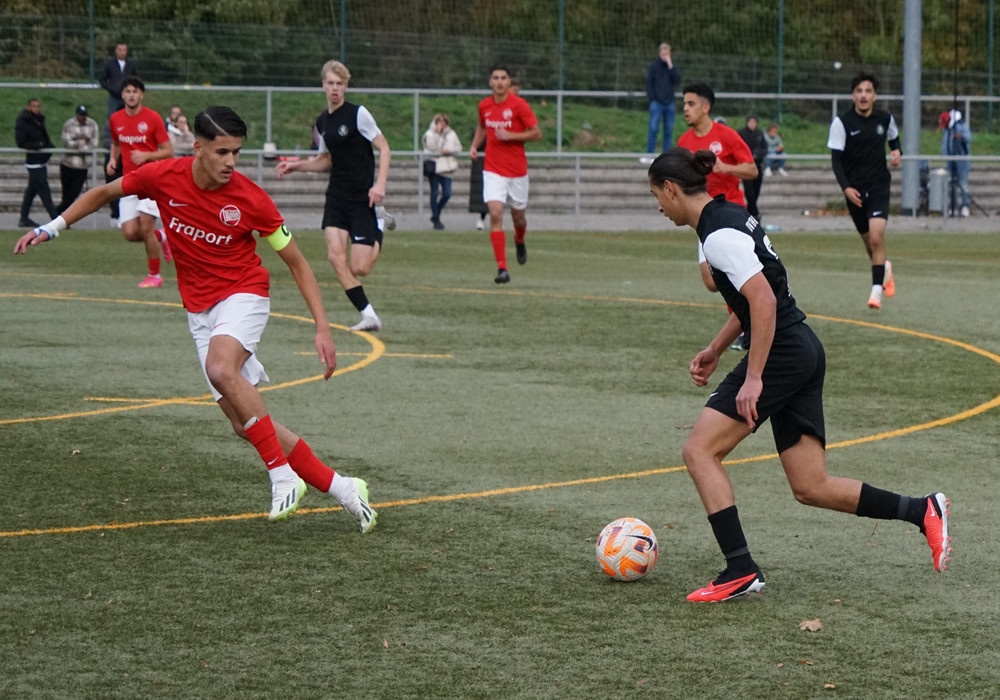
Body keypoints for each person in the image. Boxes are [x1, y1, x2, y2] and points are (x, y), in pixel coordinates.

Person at [14, 106, 377, 534]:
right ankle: (343, 487)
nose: (231, 161)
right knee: (244, 423)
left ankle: (282, 476)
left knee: (220, 368)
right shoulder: (163, 176)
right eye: (222, 152)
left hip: (244, 294)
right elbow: (104, 193)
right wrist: (52, 227)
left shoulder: (250, 198)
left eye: (237, 152)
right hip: (200, 311)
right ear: (198, 147)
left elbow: (297, 262)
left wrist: (323, 328)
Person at [646, 147, 950, 603]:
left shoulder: (717, 235)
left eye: (656, 196)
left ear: (671, 189)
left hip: (782, 352)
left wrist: (754, 377)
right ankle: (922, 510)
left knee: (699, 451)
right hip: (800, 347)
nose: (658, 207)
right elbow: (757, 297)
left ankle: (739, 569)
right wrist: (715, 348)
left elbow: (764, 302)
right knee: (810, 485)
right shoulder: (730, 214)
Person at [275, 60, 391, 332]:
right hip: (337, 198)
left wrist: (380, 184)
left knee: (360, 267)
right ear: (323, 85)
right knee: (335, 257)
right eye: (330, 83)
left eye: (340, 83)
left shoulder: (359, 114)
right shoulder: (323, 122)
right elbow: (325, 160)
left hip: (362, 198)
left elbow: (385, 149)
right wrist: (296, 166)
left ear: (346, 86)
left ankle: (380, 223)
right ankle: (369, 315)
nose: (335, 88)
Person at [679, 84, 758, 352]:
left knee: (732, 271)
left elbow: (752, 170)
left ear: (706, 107)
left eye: (691, 104)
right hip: (704, 216)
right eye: (684, 104)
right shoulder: (684, 143)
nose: (685, 109)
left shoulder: (727, 136)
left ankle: (749, 325)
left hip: (731, 213)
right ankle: (748, 319)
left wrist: (726, 167)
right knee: (712, 281)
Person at [827, 72, 901, 311]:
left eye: (868, 91)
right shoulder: (842, 123)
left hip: (879, 185)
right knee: (870, 243)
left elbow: (894, 139)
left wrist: (896, 152)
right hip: (855, 191)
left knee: (877, 237)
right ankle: (884, 268)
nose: (863, 95)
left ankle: (876, 292)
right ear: (853, 95)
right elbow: (836, 161)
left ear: (875, 96)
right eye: (859, 91)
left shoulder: (885, 119)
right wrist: (846, 188)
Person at [469, 63, 542, 284]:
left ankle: (519, 240)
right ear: (490, 82)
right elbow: (483, 126)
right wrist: (474, 146)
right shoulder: (484, 105)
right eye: (496, 78)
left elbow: (536, 133)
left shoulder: (519, 105)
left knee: (518, 218)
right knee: (495, 213)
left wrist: (511, 136)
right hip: (493, 169)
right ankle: (502, 268)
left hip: (517, 171)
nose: (500, 82)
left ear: (509, 82)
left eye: (503, 78)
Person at [110, 76, 175, 288]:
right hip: (129, 181)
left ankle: (154, 275)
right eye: (128, 91)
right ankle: (162, 237)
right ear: (122, 95)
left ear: (141, 95)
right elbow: (116, 143)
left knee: (146, 228)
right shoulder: (116, 119)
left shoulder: (153, 118)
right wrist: (112, 159)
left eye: (135, 91)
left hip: (151, 180)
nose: (131, 95)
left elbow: (168, 151)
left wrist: (146, 156)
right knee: (130, 233)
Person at [14, 98, 58, 228]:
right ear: (29, 107)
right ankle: (56, 220)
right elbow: (21, 142)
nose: (37, 109)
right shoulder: (23, 122)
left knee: (31, 192)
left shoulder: (39, 120)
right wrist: (38, 145)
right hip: (33, 162)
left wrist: (49, 147)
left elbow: (44, 138)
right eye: (34, 106)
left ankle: (24, 218)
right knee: (44, 192)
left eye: (38, 106)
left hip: (41, 161)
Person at [642, 43, 682, 163]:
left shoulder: (672, 67)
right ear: (660, 53)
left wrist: (671, 66)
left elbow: (677, 79)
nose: (665, 55)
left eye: (667, 53)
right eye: (663, 53)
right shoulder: (654, 66)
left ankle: (666, 156)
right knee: (653, 129)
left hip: (669, 103)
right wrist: (653, 98)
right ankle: (649, 154)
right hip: (657, 103)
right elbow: (649, 83)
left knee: (668, 130)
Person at [422, 113, 462, 230]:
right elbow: (431, 147)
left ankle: (436, 214)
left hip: (446, 167)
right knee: (434, 192)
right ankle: (436, 219)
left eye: (444, 121)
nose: (441, 124)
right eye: (439, 121)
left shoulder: (451, 134)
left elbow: (459, 148)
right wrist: (437, 134)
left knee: (447, 193)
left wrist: (450, 150)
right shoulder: (429, 134)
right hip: (434, 166)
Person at [57, 104, 99, 214]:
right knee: (66, 193)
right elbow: (66, 143)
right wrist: (82, 142)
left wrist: (78, 144)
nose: (83, 117)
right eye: (81, 115)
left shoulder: (92, 124)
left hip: (82, 165)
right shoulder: (69, 124)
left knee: (74, 193)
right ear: (77, 115)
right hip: (67, 164)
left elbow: (93, 144)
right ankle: (63, 217)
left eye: (84, 115)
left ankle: (57, 211)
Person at [939, 109, 971, 218]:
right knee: (952, 184)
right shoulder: (947, 130)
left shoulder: (962, 127)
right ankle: (953, 206)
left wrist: (961, 136)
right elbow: (945, 143)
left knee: (963, 183)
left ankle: (965, 206)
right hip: (950, 160)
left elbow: (969, 138)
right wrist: (945, 155)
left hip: (962, 160)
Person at [737, 115, 768, 220]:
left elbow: (765, 148)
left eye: (754, 122)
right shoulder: (741, 133)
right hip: (746, 165)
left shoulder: (760, 134)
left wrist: (758, 154)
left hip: (758, 165)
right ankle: (755, 214)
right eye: (750, 122)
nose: (752, 124)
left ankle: (751, 213)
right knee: (749, 192)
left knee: (756, 191)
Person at [99, 42, 139, 117]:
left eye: (124, 50)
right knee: (113, 118)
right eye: (120, 50)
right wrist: (112, 89)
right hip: (114, 97)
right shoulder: (109, 64)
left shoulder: (131, 64)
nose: (122, 52)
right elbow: (102, 80)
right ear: (116, 51)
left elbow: (136, 79)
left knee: (129, 117)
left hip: (127, 98)